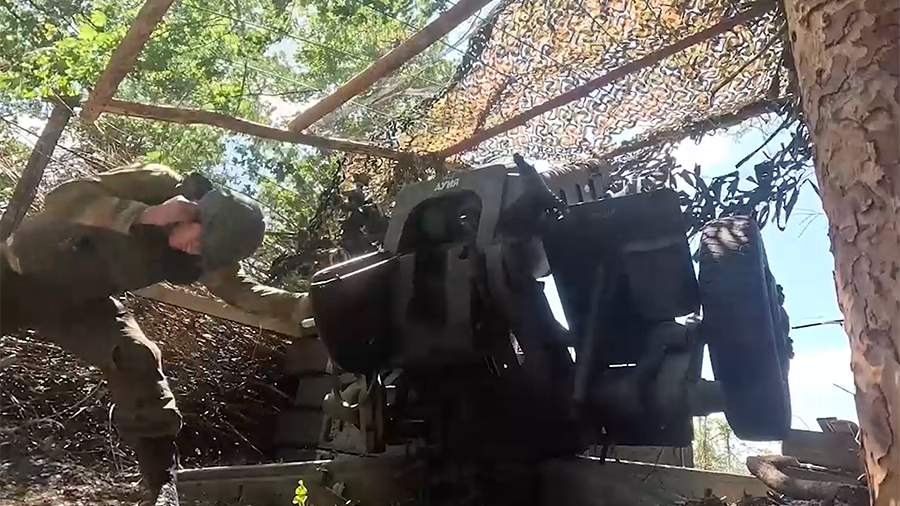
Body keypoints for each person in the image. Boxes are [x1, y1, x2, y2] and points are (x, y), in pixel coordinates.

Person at [0, 163, 313, 506]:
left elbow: (240, 289)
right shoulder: (158, 184)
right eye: (200, 240)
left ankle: (162, 486)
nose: (196, 251)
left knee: (137, 356)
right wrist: (146, 214)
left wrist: (300, 304)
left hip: (78, 303)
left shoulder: (204, 253)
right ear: (194, 213)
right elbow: (62, 198)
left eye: (206, 251)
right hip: (13, 275)